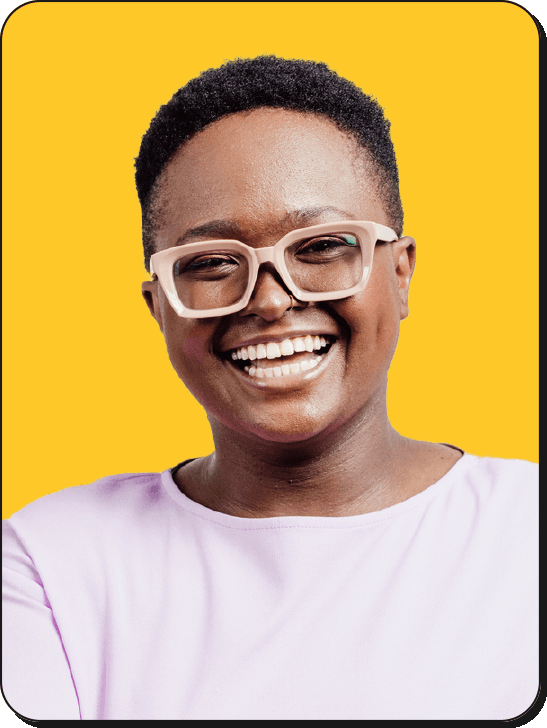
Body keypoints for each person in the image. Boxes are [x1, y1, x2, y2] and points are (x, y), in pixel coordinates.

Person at [2, 56, 538, 720]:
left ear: (400, 274)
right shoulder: (49, 565)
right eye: (211, 263)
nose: (270, 300)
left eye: (321, 247)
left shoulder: (525, 532)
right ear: (159, 306)